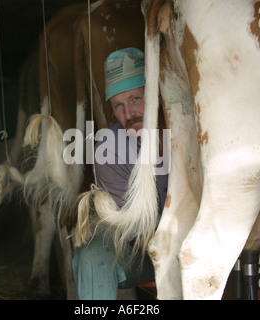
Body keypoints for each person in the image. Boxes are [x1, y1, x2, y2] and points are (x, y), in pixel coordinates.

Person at [72, 48, 169, 300]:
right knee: (93, 253)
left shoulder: (184, 132)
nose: (128, 114)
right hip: (141, 252)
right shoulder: (109, 149)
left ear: (155, 94)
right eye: (118, 105)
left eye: (135, 98)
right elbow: (138, 231)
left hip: (198, 241)